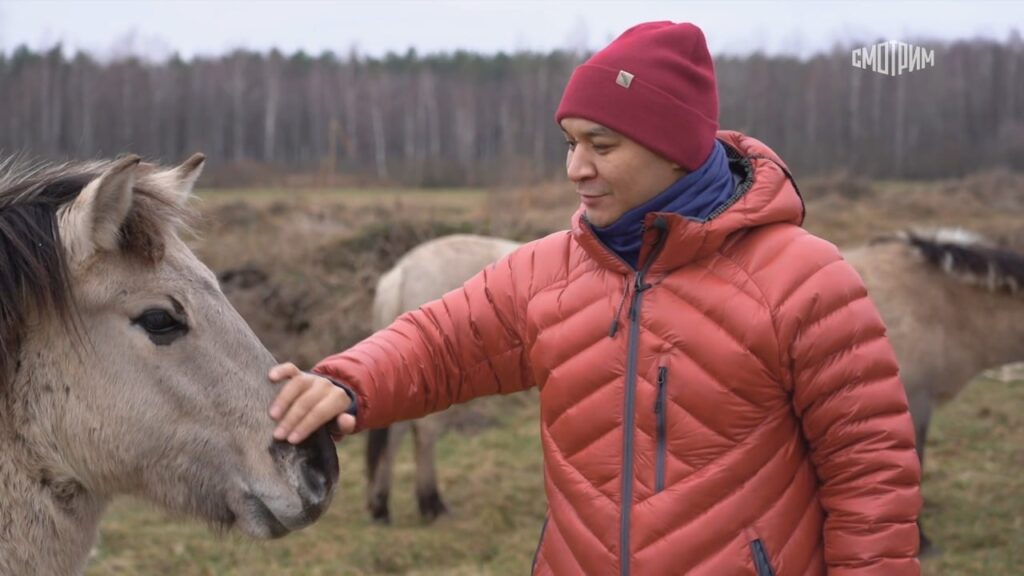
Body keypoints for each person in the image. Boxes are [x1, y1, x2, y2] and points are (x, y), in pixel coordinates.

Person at [268, 21, 922, 575]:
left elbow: (872, 476)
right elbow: (441, 343)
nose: (575, 168)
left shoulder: (805, 281)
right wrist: (348, 384)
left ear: (675, 152)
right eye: (570, 143)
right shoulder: (548, 273)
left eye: (600, 146)